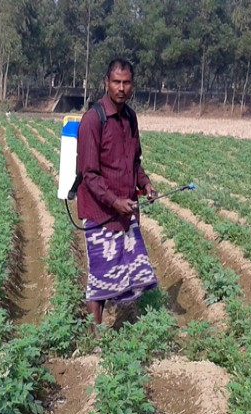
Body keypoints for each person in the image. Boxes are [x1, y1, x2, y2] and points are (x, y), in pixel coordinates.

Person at [76, 58, 159, 330]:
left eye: (126, 82)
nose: (121, 88)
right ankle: (95, 338)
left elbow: (134, 161)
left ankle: (121, 323)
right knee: (100, 277)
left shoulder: (130, 118)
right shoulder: (93, 120)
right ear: (106, 83)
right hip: (101, 213)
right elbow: (89, 174)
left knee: (129, 269)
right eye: (116, 82)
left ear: (132, 85)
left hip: (126, 211)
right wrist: (114, 201)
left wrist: (145, 184)